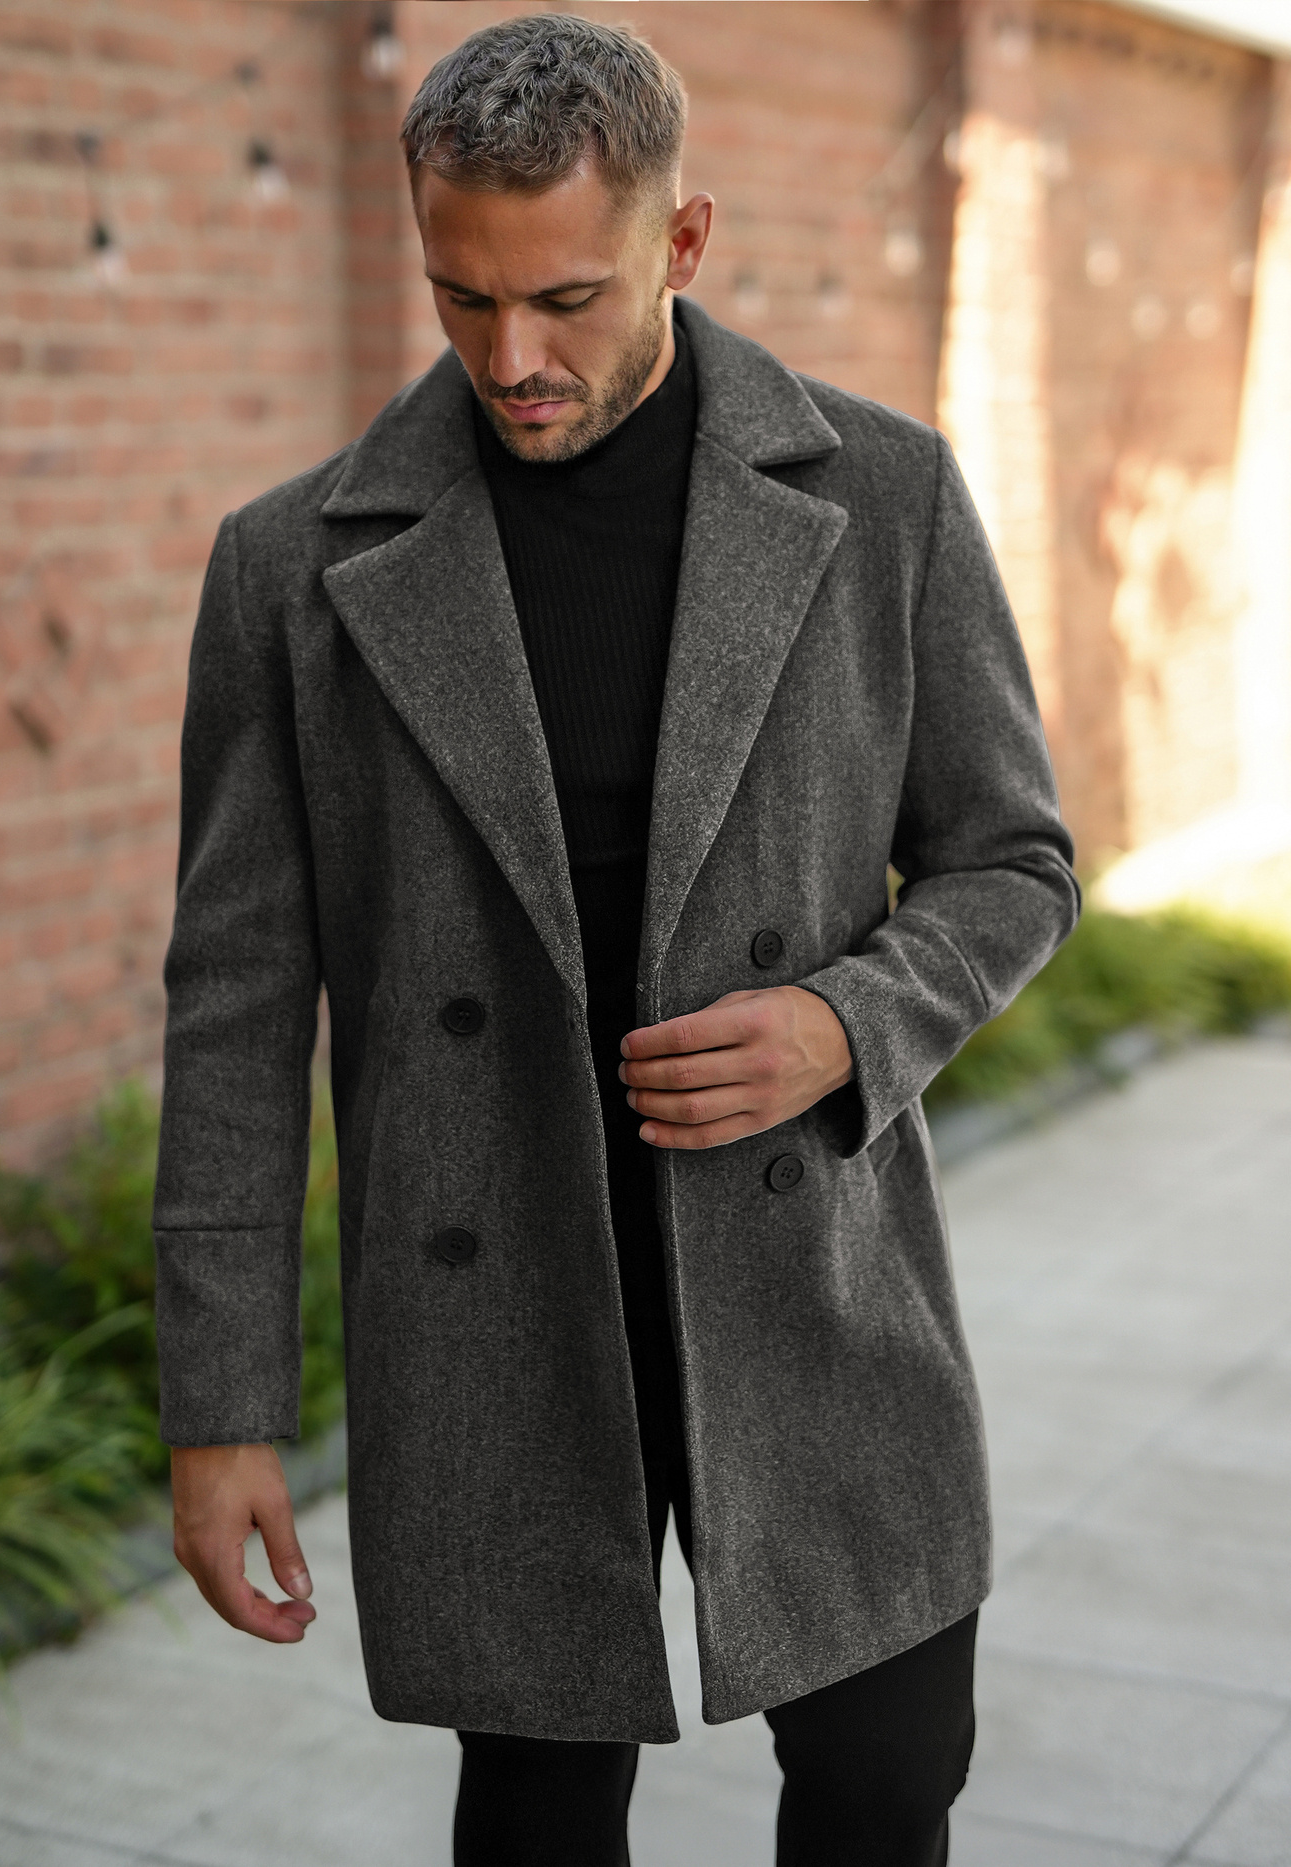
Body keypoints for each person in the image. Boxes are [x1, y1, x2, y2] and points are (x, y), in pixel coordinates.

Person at [154, 15, 1078, 1865]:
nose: (513, 358)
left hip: (810, 1281)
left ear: (683, 239)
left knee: (888, 1785)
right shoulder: (293, 568)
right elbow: (236, 1004)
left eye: (566, 298)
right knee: (537, 1824)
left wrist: (847, 1023)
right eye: (463, 297)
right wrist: (221, 1407)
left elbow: (1013, 863)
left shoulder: (879, 495)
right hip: (491, 1309)